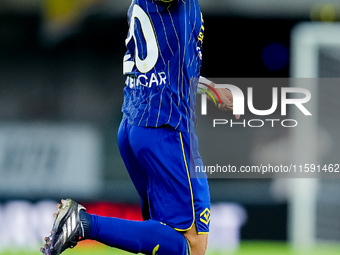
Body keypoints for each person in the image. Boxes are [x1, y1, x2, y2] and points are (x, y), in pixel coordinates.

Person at [41, 0, 235, 254]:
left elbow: (168, 62)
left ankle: (84, 224)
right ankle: (84, 224)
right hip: (165, 128)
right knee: (191, 245)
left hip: (139, 123)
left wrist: (208, 88)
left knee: (163, 236)